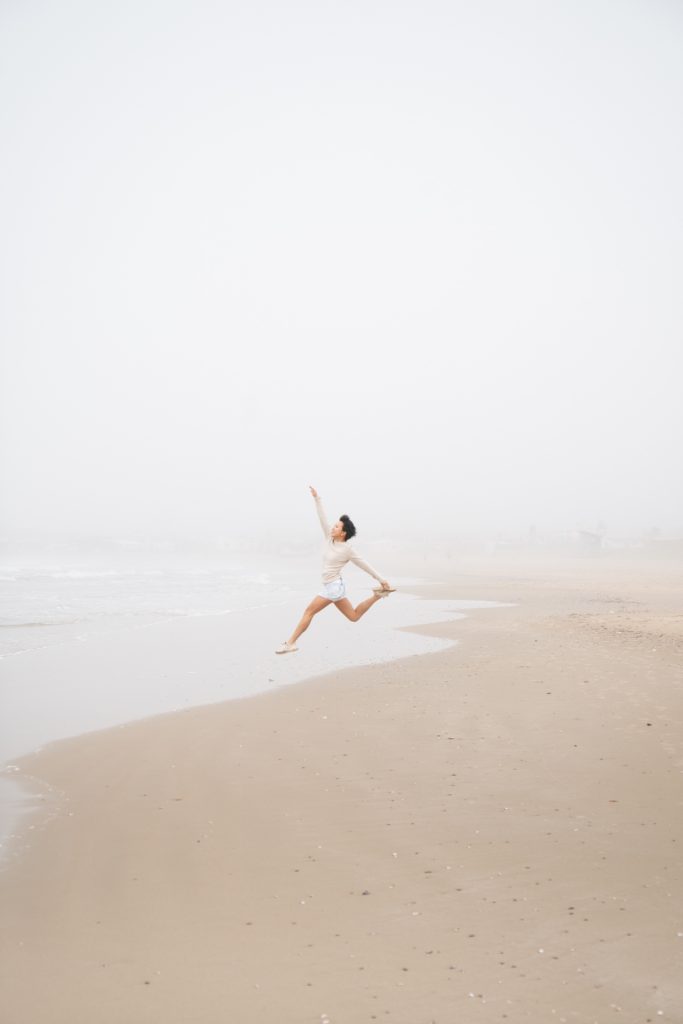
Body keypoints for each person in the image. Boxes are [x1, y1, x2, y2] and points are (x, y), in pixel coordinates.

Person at [276, 486, 395, 654]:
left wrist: (380, 579)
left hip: (334, 587)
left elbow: (363, 564)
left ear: (343, 533)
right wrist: (317, 499)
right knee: (353, 616)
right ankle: (376, 596)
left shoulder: (348, 549)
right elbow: (322, 518)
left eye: (337, 527)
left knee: (309, 611)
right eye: (334, 526)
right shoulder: (329, 539)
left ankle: (290, 642)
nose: (333, 528)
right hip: (332, 586)